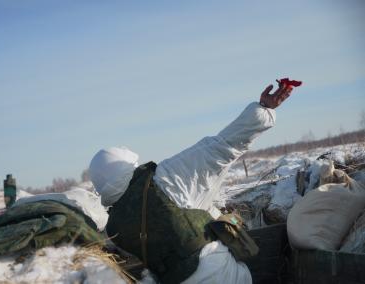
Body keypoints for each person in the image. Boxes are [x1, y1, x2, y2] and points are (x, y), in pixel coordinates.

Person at [88, 80, 298, 283]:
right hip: (219, 274)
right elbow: (223, 145)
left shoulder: (113, 229)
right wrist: (263, 109)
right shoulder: (165, 176)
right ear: (129, 165)